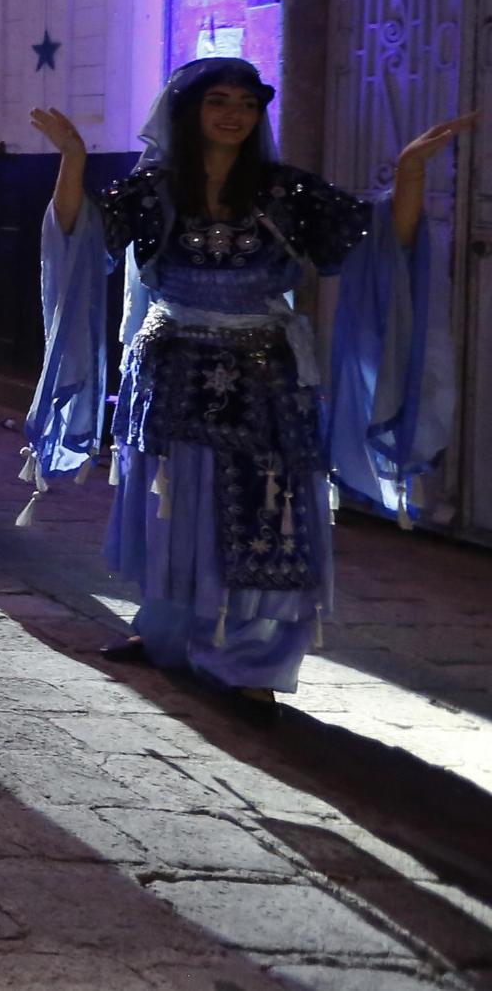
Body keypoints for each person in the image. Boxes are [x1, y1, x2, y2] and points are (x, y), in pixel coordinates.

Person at [24, 61, 461, 700]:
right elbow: (79, 235)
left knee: (268, 510)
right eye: (218, 101)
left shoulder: (287, 192)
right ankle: (168, 630)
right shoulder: (153, 191)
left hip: (266, 377)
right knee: (173, 504)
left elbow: (377, 242)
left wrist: (411, 175)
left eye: (248, 103)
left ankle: (252, 663)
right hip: (172, 369)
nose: (234, 114)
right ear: (189, 111)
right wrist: (72, 159)